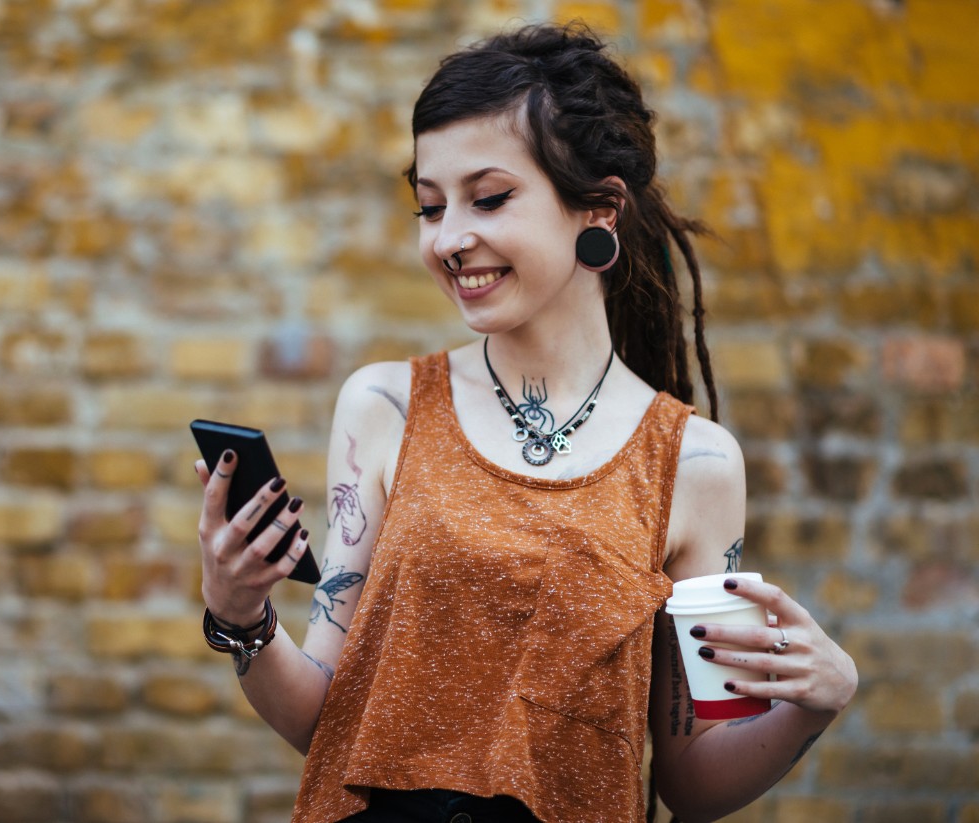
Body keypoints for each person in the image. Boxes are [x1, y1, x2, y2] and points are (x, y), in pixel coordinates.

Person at [194, 23, 857, 823]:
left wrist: (815, 702)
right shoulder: (384, 407)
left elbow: (688, 781)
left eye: (490, 197)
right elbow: (329, 720)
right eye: (429, 207)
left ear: (600, 208)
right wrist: (244, 619)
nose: (449, 240)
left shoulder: (695, 463)